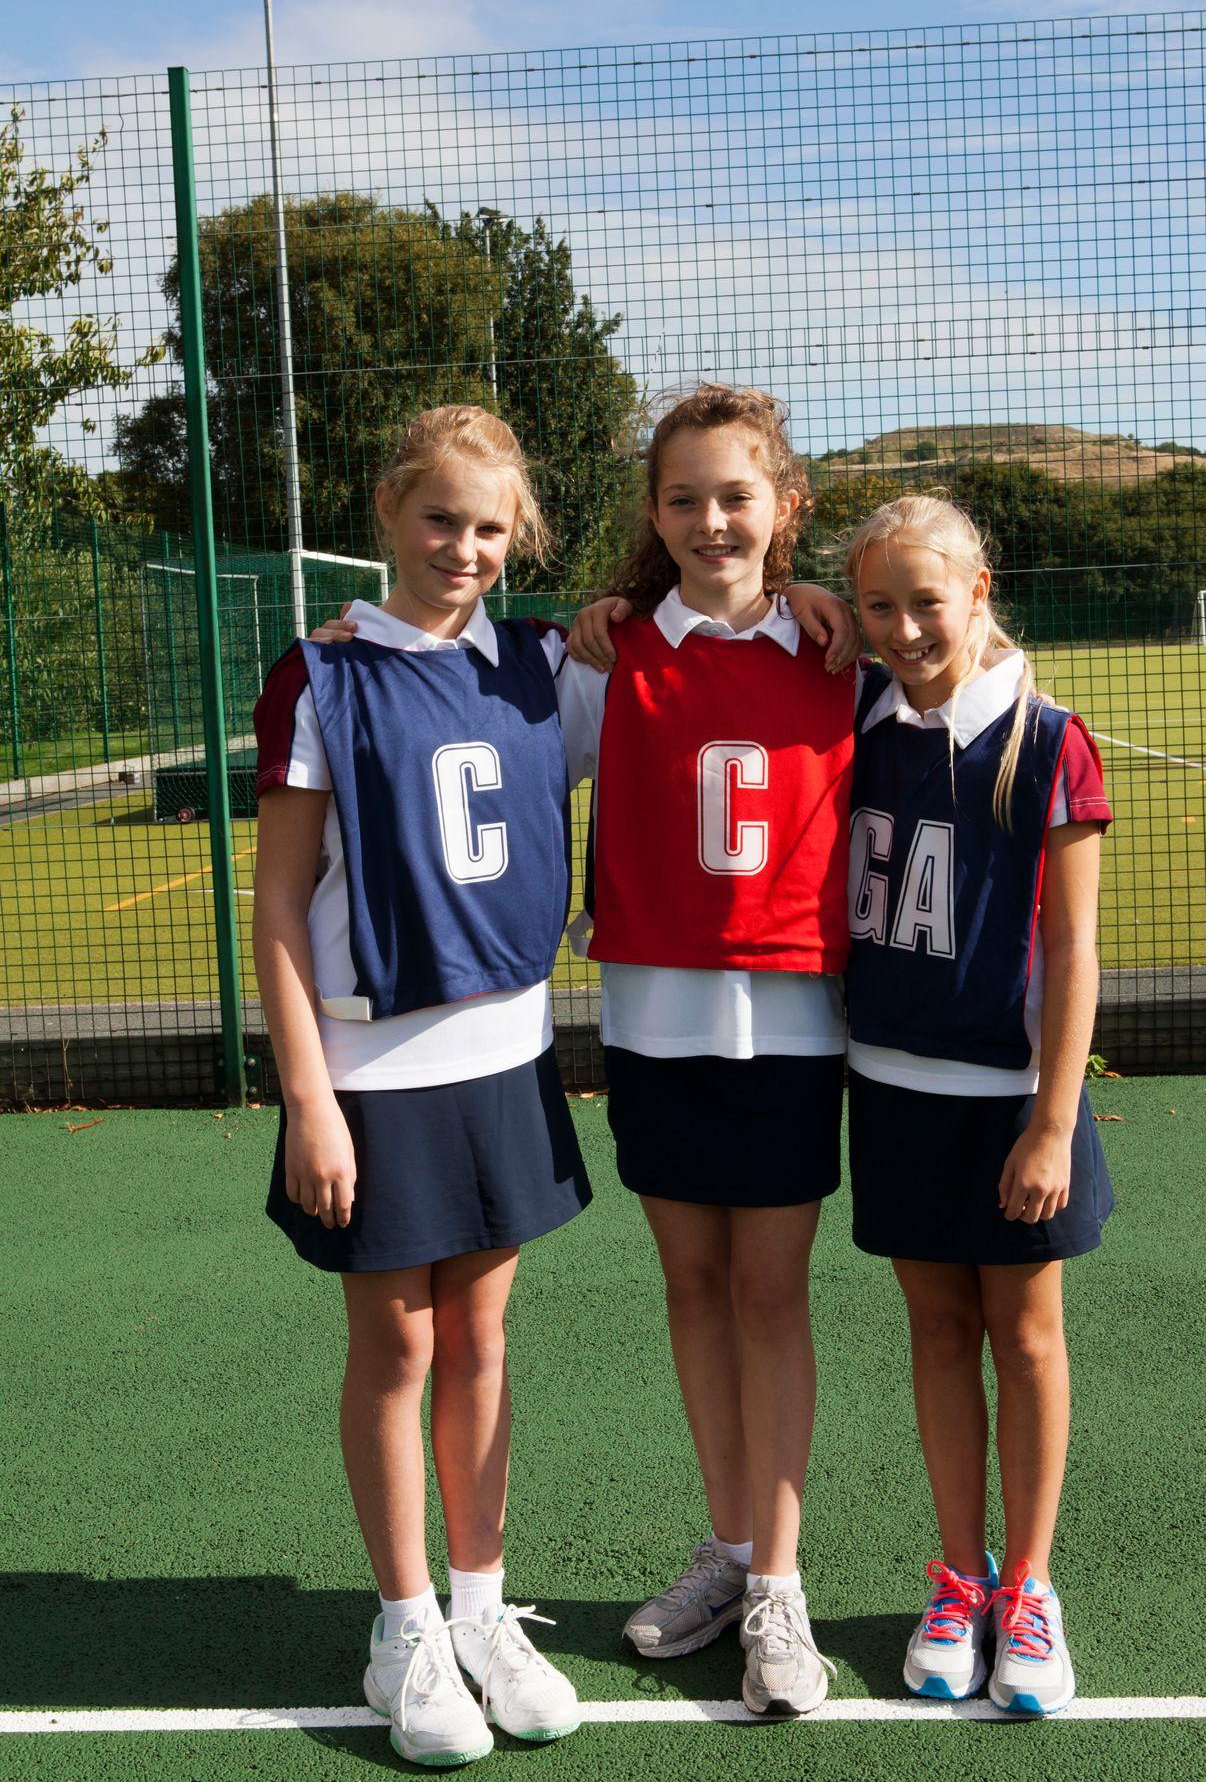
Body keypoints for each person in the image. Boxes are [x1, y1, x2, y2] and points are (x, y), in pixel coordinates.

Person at [252, 406, 590, 1769]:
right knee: (396, 1348)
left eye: (492, 529)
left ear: (520, 543)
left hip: (505, 1053)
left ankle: (482, 1610)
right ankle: (403, 1628)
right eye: (441, 519)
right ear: (389, 511)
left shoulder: (546, 663)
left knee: (486, 1344)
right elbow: (278, 907)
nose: (464, 548)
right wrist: (309, 1099)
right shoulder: (320, 676)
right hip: (369, 1066)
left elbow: (696, 617)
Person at [562, 384, 858, 1717]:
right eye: (682, 497)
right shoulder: (611, 653)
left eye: (735, 495)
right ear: (652, 515)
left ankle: (781, 1593)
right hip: (654, 1017)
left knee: (768, 1294)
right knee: (692, 1288)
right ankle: (731, 1552)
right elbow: (487, 713)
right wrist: (347, 640)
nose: (708, 519)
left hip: (792, 1015)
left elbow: (957, 649)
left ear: (783, 508)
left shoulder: (837, 654)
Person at [842, 492, 1113, 1717]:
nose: (901, 628)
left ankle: (1032, 1589)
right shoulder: (858, 712)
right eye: (876, 605)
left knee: (1026, 1336)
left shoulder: (1048, 738)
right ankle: (958, 1575)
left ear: (979, 591)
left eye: (924, 602)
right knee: (937, 1333)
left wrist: (1051, 1121)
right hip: (894, 1090)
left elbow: (1075, 955)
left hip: (1010, 1103)